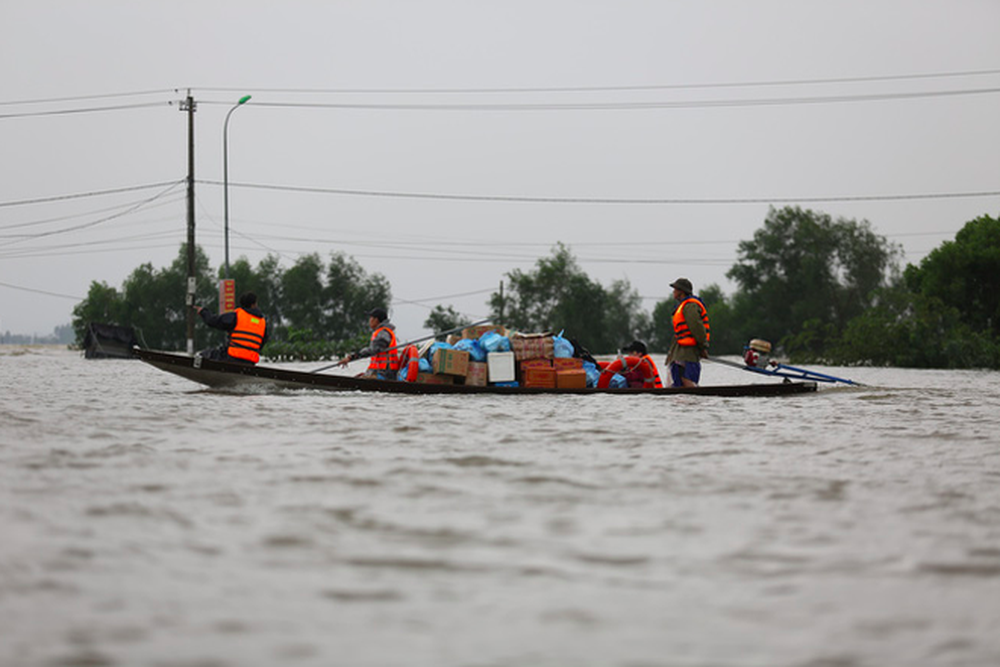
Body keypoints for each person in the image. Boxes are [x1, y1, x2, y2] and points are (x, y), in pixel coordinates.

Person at [193, 291, 268, 364]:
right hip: (250, 362)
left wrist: (203, 312)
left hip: (232, 358)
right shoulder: (262, 322)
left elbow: (213, 321)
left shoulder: (236, 316)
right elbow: (262, 342)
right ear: (254, 304)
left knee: (205, 354)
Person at [664, 278, 710, 387]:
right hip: (681, 352)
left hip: (687, 353)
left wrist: (703, 347)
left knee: (686, 381)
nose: (673, 292)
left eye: (675, 289)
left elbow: (696, 327)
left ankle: (694, 401)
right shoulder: (684, 305)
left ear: (681, 291)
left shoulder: (690, 306)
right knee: (679, 383)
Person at [337, 307, 401, 379]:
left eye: (370, 318)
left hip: (384, 373)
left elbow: (373, 350)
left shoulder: (383, 333)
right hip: (378, 371)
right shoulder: (380, 332)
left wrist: (352, 357)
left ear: (376, 320)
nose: (369, 320)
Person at [598, 340, 663, 389]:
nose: (629, 355)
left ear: (639, 353)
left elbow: (636, 377)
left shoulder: (645, 362)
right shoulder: (636, 364)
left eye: (631, 352)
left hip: (653, 389)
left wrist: (621, 372)